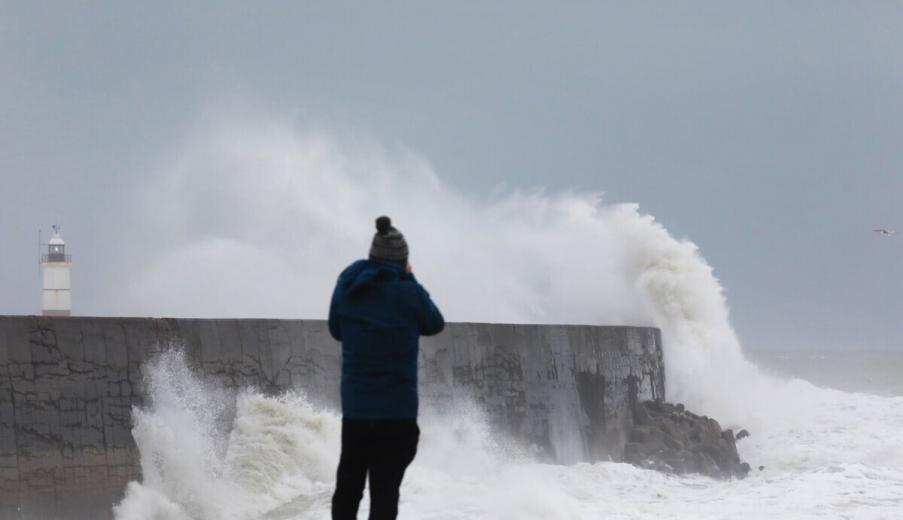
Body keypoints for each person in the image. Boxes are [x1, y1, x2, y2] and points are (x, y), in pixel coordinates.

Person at [329, 215, 445, 520]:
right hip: (397, 413)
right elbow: (434, 323)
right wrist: (409, 278)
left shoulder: (349, 286)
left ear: (371, 256)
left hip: (357, 411)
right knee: (385, 492)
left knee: (349, 485)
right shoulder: (409, 293)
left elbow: (336, 330)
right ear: (404, 261)